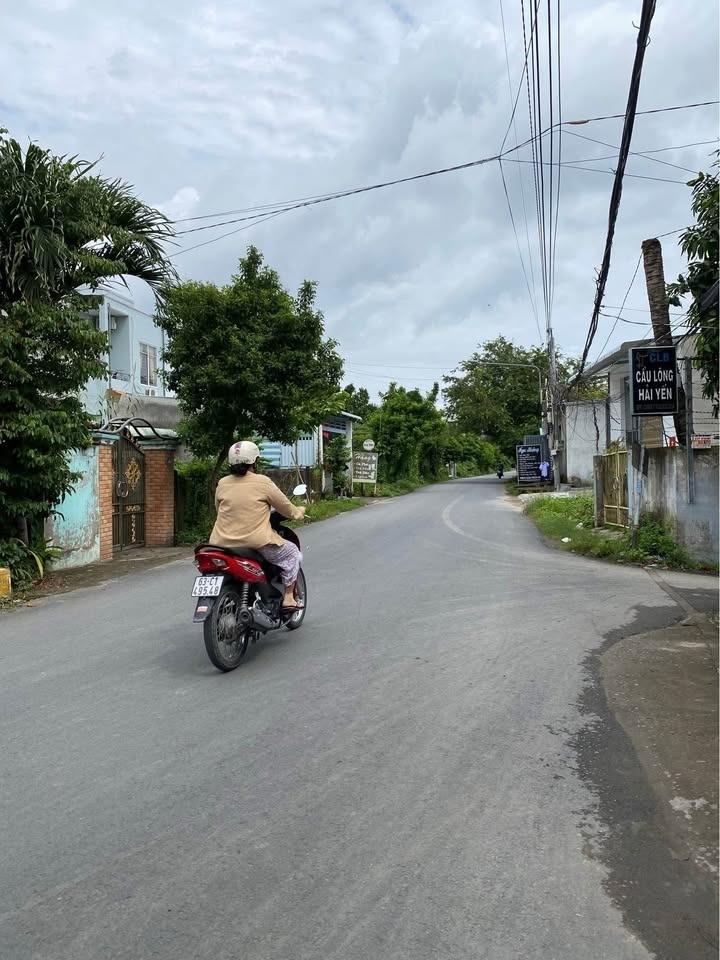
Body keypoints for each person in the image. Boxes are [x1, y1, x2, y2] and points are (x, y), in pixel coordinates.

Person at [209, 441, 306, 612]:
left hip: (221, 544)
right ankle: (289, 598)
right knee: (292, 552)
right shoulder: (263, 482)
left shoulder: (222, 483)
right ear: (254, 461)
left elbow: (219, 509)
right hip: (256, 542)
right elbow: (285, 506)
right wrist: (298, 513)